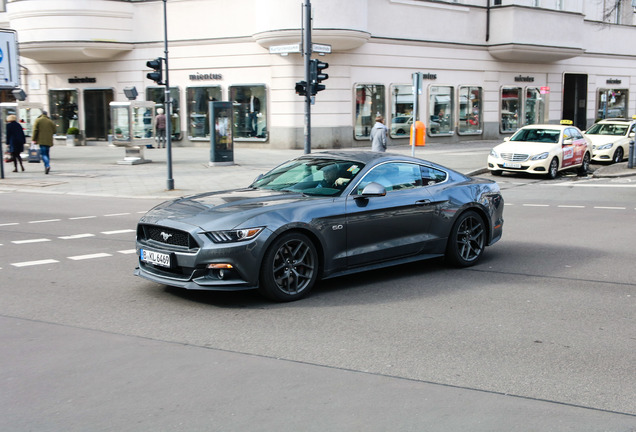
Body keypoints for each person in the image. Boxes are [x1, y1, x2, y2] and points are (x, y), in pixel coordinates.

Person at [32, 110, 56, 174]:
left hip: (41, 140)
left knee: (43, 154)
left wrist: (33, 139)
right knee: (47, 153)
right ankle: (46, 166)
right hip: (49, 140)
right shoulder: (50, 121)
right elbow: (54, 131)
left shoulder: (38, 120)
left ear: (41, 114)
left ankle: (47, 165)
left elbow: (35, 130)